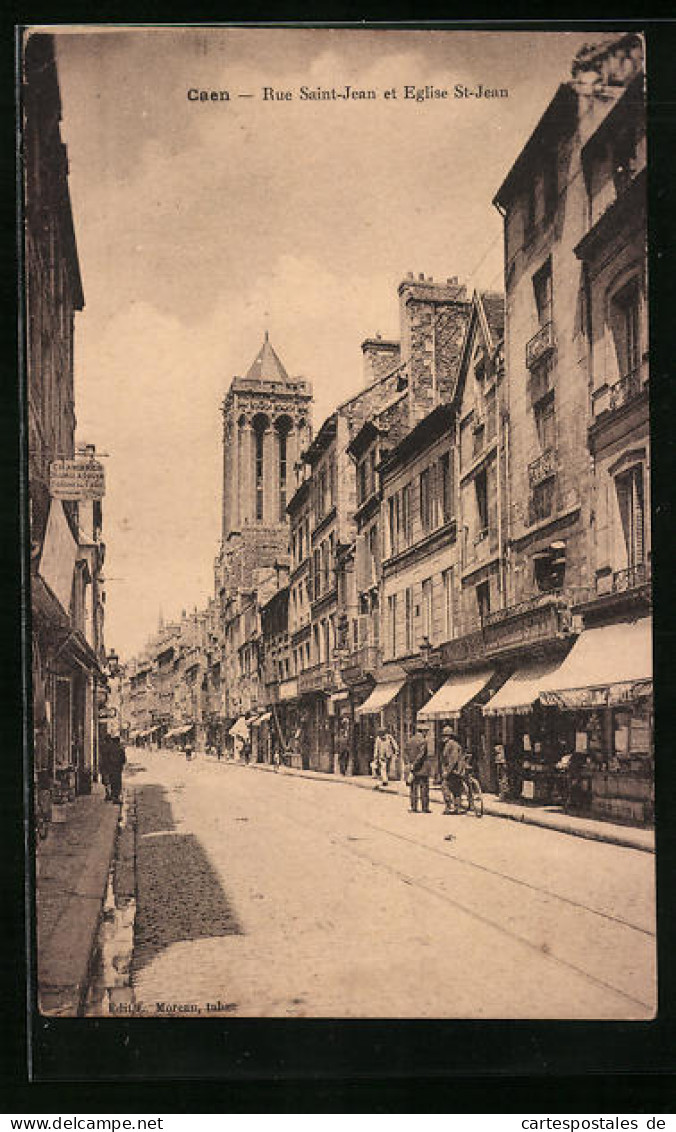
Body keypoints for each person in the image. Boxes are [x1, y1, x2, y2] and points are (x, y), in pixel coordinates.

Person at [404, 723, 432, 813]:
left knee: (413, 789)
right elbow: (421, 755)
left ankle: (414, 807)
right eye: (426, 731)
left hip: (413, 769)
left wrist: (409, 764)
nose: (426, 733)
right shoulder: (423, 741)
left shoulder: (410, 740)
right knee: (424, 789)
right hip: (422, 768)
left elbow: (405, 753)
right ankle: (424, 808)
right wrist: (414, 765)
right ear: (422, 731)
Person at [440, 725, 466, 814]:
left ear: (449, 736)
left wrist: (447, 771)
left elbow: (453, 760)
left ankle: (449, 807)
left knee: (445, 787)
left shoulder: (452, 745)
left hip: (454, 771)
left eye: (444, 735)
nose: (443, 737)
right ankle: (457, 808)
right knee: (456, 790)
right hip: (455, 771)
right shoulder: (451, 744)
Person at [106, 733, 126, 803]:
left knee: (112, 781)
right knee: (117, 782)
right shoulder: (120, 749)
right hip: (118, 768)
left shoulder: (109, 749)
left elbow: (107, 759)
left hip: (111, 768)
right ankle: (116, 797)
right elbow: (124, 760)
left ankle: (113, 795)